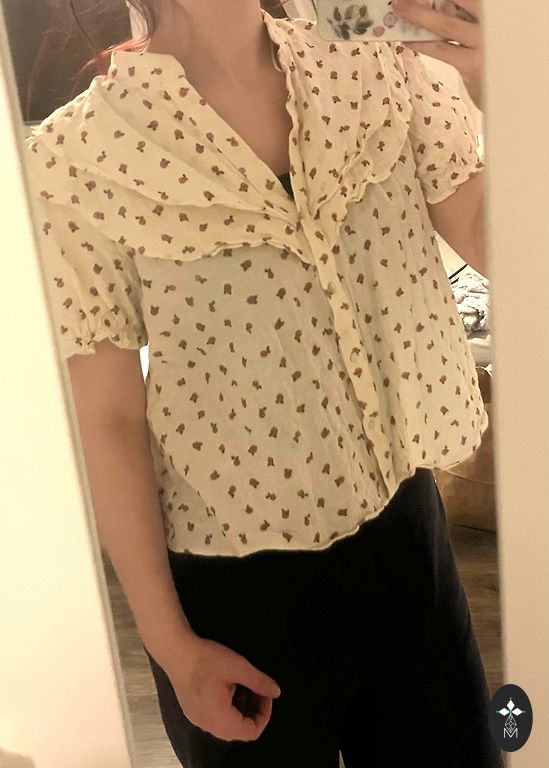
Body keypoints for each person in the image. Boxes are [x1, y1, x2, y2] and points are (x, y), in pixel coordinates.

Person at [23, 1, 503, 765]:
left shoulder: (381, 68)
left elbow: (494, 243)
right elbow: (107, 418)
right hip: (230, 591)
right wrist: (171, 645)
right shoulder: (76, 158)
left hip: (407, 538)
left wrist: (509, 101)